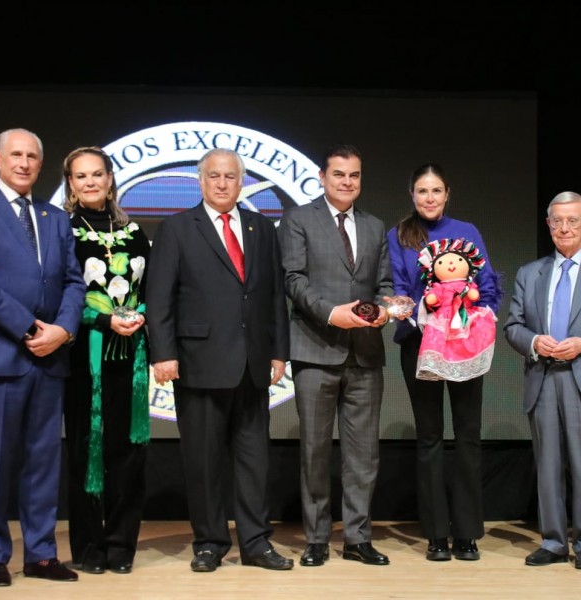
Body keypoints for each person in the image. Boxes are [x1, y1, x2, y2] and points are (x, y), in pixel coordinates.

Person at [146, 148, 293, 572]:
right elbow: (160, 297)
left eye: (231, 176)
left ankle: (256, 543)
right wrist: (164, 353)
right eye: (215, 176)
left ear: (241, 181)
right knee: (204, 460)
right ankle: (209, 543)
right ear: (201, 181)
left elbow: (272, 296)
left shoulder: (262, 228)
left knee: (253, 460)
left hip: (252, 364)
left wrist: (280, 350)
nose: (223, 183)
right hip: (197, 362)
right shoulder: (176, 228)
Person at [0, 128, 86, 586]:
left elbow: (74, 281)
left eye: (32, 156)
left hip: (50, 358)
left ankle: (41, 554)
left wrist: (64, 330)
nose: (25, 163)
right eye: (16, 154)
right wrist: (31, 328)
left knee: (42, 461)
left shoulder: (55, 216)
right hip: (0, 357)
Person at [278, 143, 394, 567]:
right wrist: (331, 313)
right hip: (315, 348)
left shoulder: (375, 226)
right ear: (323, 178)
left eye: (355, 175)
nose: (347, 182)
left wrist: (383, 308)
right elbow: (292, 278)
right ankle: (316, 539)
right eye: (339, 174)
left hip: (365, 353)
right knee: (314, 451)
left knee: (363, 453)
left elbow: (383, 282)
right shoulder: (298, 219)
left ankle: (358, 538)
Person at [504, 191, 581, 570]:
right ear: (548, 224)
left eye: (572, 220)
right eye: (557, 221)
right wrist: (534, 341)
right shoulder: (530, 272)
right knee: (547, 466)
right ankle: (554, 541)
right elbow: (512, 327)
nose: (564, 227)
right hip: (542, 377)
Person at [386, 164, 501, 561]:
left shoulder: (467, 232)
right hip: (420, 345)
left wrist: (471, 309)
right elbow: (399, 289)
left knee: (468, 435)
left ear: (447, 193)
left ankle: (467, 533)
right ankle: (436, 534)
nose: (429, 198)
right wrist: (415, 308)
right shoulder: (399, 235)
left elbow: (487, 286)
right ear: (412, 195)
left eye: (436, 190)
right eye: (422, 191)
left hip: (466, 344)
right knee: (430, 437)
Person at [61, 146, 151, 575]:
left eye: (97, 174)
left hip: (130, 359)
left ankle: (121, 546)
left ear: (110, 179)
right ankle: (88, 547)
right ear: (71, 184)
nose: (90, 182)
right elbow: (57, 294)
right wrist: (100, 320)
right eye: (81, 176)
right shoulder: (62, 229)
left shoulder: (133, 231)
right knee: (87, 452)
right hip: (84, 359)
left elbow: (151, 289)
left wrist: (140, 316)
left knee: (128, 454)